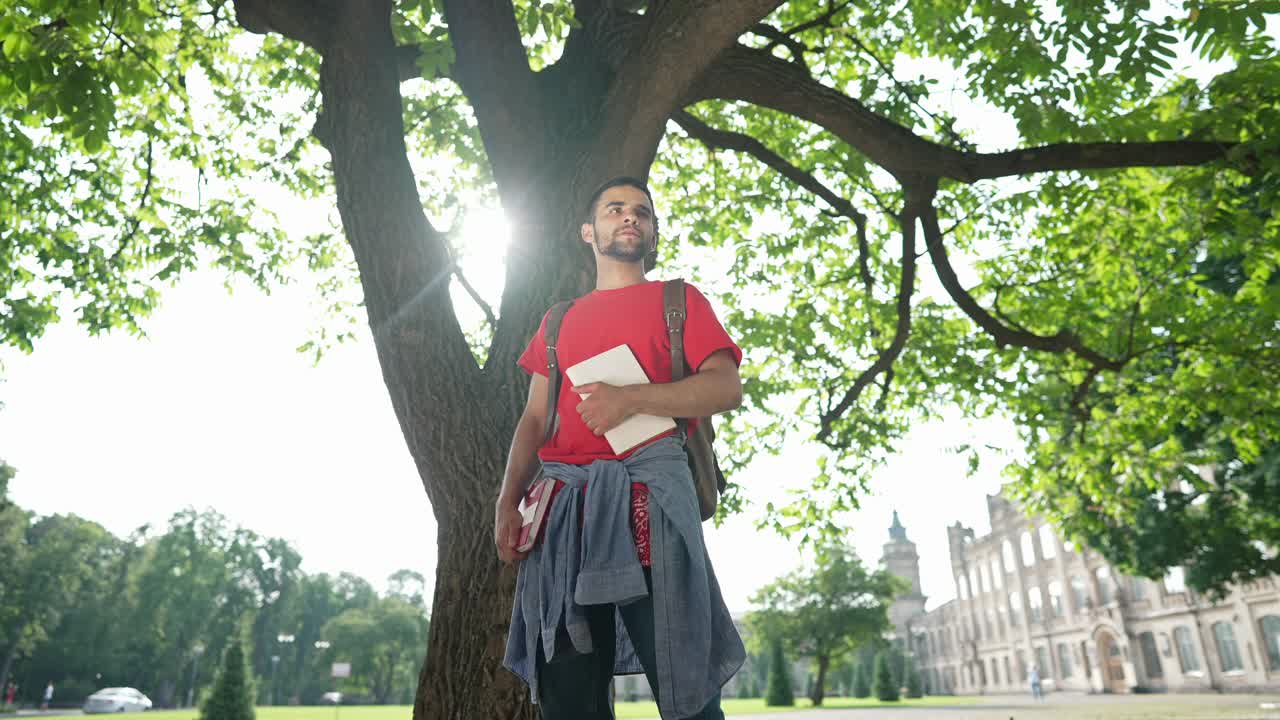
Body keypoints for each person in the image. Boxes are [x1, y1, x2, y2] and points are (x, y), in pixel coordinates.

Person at [498, 176, 745, 720]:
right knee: (569, 699)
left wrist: (630, 399)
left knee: (688, 688)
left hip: (651, 506)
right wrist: (506, 503)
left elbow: (726, 387)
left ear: (652, 232)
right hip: (565, 517)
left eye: (642, 212)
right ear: (589, 231)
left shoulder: (678, 301)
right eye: (615, 209)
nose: (630, 217)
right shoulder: (558, 320)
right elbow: (536, 417)